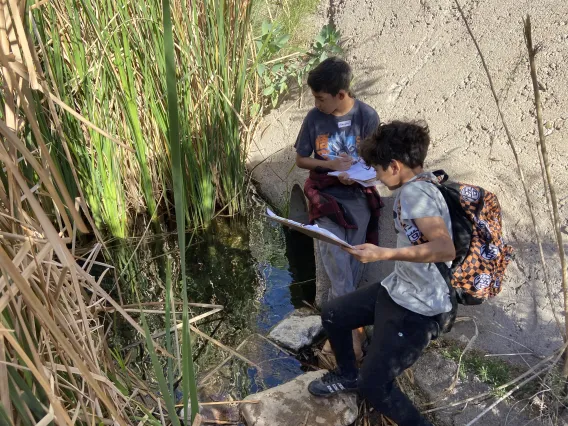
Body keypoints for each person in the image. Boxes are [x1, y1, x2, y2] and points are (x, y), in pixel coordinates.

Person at [307, 121, 457, 426]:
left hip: (421, 307)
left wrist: (384, 253)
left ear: (395, 165)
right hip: (400, 288)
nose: (374, 174)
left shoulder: (417, 195)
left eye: (377, 167)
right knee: (335, 313)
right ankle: (348, 374)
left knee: (375, 387)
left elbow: (445, 249)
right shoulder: (422, 183)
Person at [294, 57, 381, 360]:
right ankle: (348, 340)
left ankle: (346, 328)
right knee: (338, 267)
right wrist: (329, 165)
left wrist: (355, 173)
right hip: (324, 197)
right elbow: (302, 159)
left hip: (358, 199)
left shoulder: (367, 117)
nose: (316, 103)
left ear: (341, 95)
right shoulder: (314, 118)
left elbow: (375, 164)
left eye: (321, 97)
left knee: (353, 264)